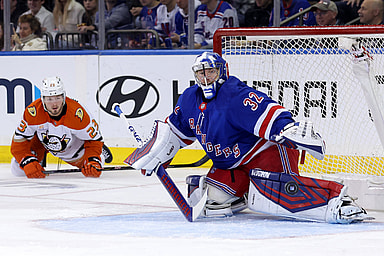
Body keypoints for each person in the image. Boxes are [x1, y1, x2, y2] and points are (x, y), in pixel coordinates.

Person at [126, 52, 370, 224]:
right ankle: (244, 193)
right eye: (200, 74)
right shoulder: (189, 98)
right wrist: (154, 155)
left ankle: (338, 200)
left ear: (222, 71)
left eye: (210, 72)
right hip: (232, 164)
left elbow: (271, 113)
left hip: (266, 154)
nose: (205, 78)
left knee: (275, 195)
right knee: (207, 201)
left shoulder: (234, 94)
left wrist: (289, 130)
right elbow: (174, 133)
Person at [10, 77, 111, 179]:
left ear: (63, 97)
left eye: (57, 98)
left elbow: (94, 139)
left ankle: (99, 153)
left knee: (92, 171)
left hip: (72, 149)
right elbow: (18, 142)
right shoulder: (33, 112)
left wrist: (93, 159)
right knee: (17, 170)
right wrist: (28, 162)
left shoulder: (77, 114)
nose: (54, 104)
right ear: (42, 99)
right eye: (49, 99)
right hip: (42, 143)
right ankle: (38, 159)